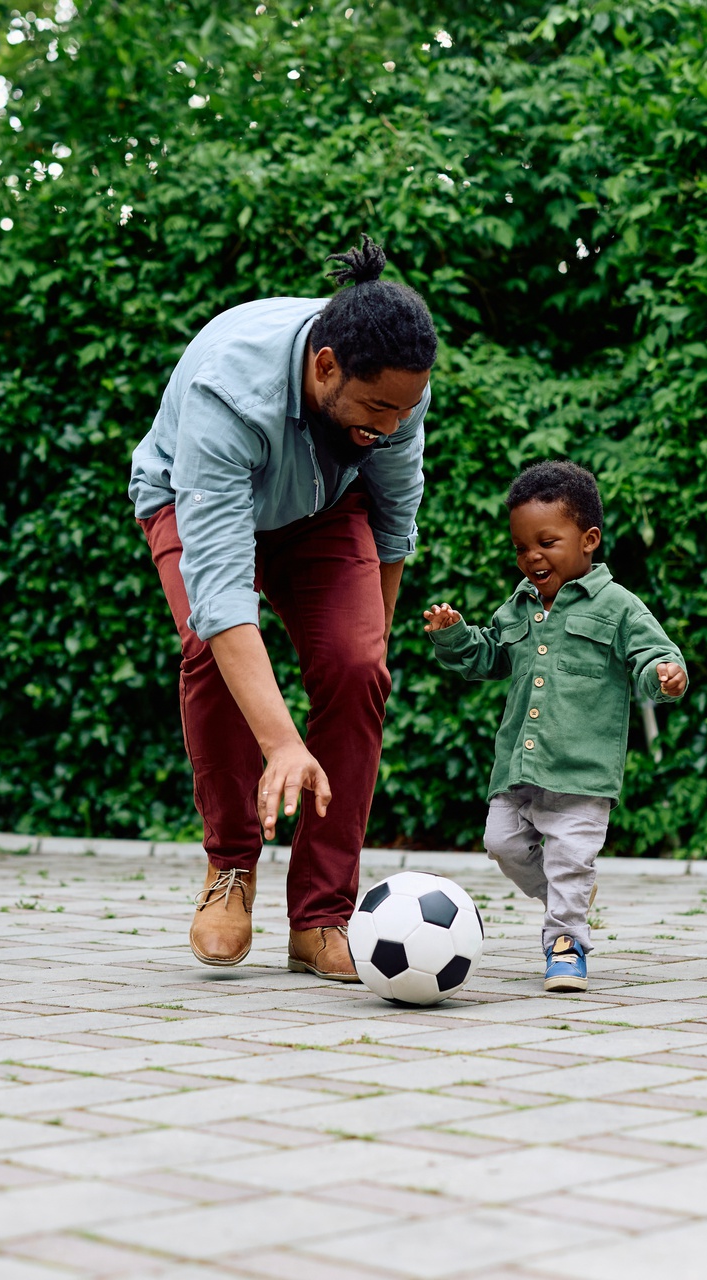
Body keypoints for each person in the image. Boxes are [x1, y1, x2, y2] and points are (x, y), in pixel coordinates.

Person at [131, 235, 437, 981]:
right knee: (211, 646)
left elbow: (394, 524)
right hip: (191, 499)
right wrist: (283, 743)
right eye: (376, 409)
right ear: (324, 366)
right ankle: (231, 868)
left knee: (360, 666)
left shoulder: (395, 390)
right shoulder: (229, 394)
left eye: (405, 409)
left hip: (324, 512)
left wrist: (365, 653)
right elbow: (223, 596)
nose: (391, 426)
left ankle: (322, 915)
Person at [422, 461, 687, 992]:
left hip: (582, 774)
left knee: (570, 858)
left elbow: (653, 654)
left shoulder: (618, 606)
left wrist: (665, 675)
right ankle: (566, 894)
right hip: (518, 765)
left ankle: (566, 945)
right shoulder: (518, 604)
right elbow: (488, 655)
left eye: (546, 542)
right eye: (521, 547)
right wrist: (454, 636)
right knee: (499, 842)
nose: (531, 557)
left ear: (588, 539)